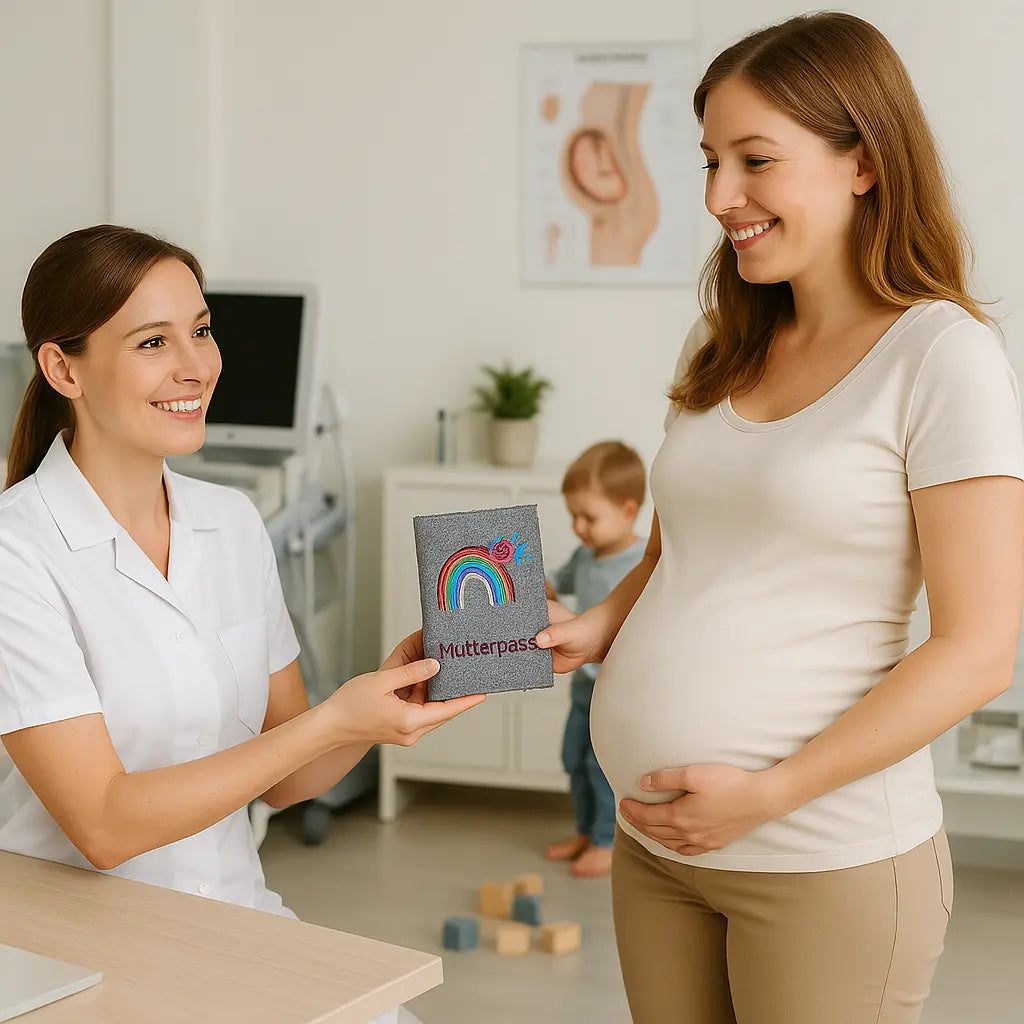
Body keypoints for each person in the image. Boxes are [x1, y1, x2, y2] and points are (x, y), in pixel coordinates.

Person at [536, 13, 1024, 1024]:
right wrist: (596, 626)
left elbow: (978, 652)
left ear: (863, 162)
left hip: (823, 859)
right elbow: (682, 550)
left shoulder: (942, 358)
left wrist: (767, 792)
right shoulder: (726, 340)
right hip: (659, 846)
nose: (719, 197)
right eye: (711, 159)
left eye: (755, 160)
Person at [0, 225, 482, 921]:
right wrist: (331, 723)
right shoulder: (18, 551)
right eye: (153, 342)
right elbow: (103, 826)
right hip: (82, 948)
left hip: (236, 922)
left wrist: (387, 704)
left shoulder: (231, 523)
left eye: (201, 330)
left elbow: (287, 779)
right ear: (63, 369)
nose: (196, 366)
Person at [543, 441, 647, 878]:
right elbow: (555, 582)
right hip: (582, 685)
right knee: (573, 758)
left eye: (589, 517)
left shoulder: (642, 562)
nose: (579, 527)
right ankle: (585, 830)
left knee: (600, 765)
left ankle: (607, 841)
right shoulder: (585, 557)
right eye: (573, 517)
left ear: (627, 511)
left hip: (617, 687)